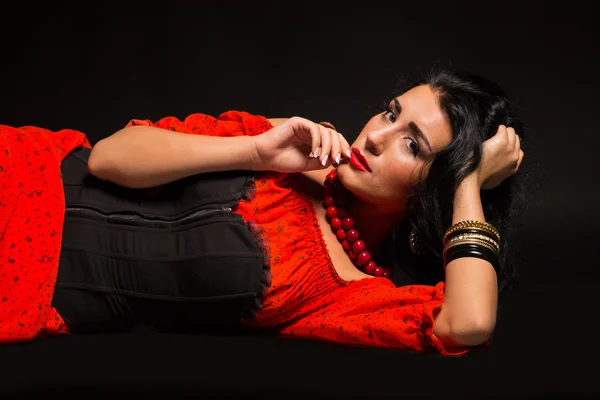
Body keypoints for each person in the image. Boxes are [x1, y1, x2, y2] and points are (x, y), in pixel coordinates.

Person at [0, 66, 530, 356]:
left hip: (27, 290)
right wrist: (253, 150)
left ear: (434, 191)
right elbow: (110, 158)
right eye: (391, 114)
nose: (374, 136)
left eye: (411, 145)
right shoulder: (289, 148)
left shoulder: (349, 292)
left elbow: (469, 322)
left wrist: (466, 183)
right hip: (24, 173)